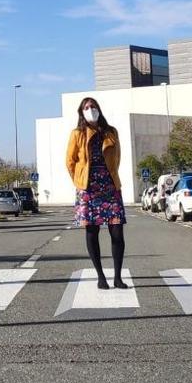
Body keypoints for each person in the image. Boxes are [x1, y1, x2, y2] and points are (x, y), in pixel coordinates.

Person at [65, 97, 127, 290]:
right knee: (92, 231)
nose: (90, 109)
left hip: (109, 185)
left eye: (93, 106)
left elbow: (116, 157)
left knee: (117, 231)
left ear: (99, 109)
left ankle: (118, 277)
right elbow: (70, 161)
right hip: (88, 187)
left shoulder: (111, 132)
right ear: (81, 112)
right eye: (86, 107)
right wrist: (79, 181)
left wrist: (111, 175)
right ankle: (101, 276)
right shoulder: (77, 133)